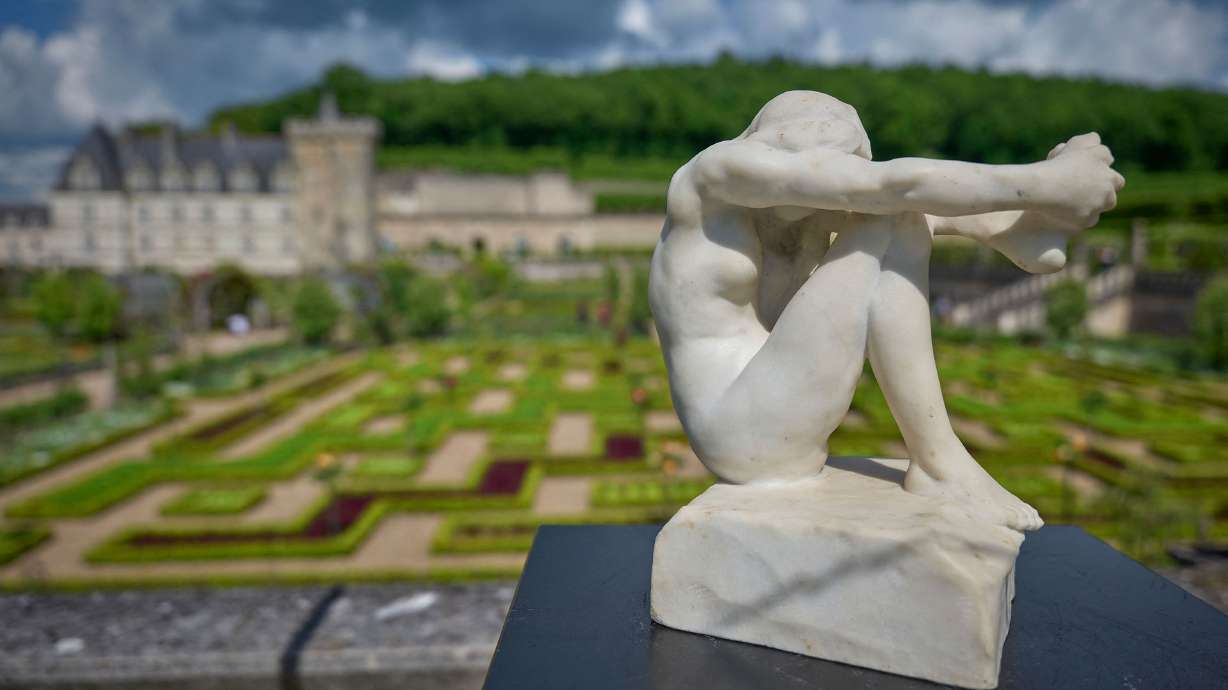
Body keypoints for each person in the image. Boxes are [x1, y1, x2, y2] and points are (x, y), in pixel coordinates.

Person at [649, 90, 1124, 531]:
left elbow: (909, 207)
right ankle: (940, 464)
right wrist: (1048, 183)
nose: (832, 176)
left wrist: (1021, 210)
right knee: (890, 210)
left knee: (893, 214)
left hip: (776, 420)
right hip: (738, 430)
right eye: (828, 162)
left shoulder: (796, 216)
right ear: (781, 147)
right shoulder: (714, 175)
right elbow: (891, 188)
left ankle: (1011, 227)